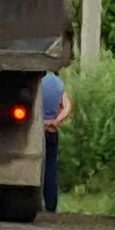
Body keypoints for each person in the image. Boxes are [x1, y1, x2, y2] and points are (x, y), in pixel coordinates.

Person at [39, 70, 72, 214]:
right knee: (50, 167)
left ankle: (35, 201)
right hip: (51, 131)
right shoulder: (57, 83)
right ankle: (51, 205)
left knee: (37, 167)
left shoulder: (37, 80)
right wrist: (55, 121)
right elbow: (67, 106)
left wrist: (41, 122)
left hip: (36, 130)